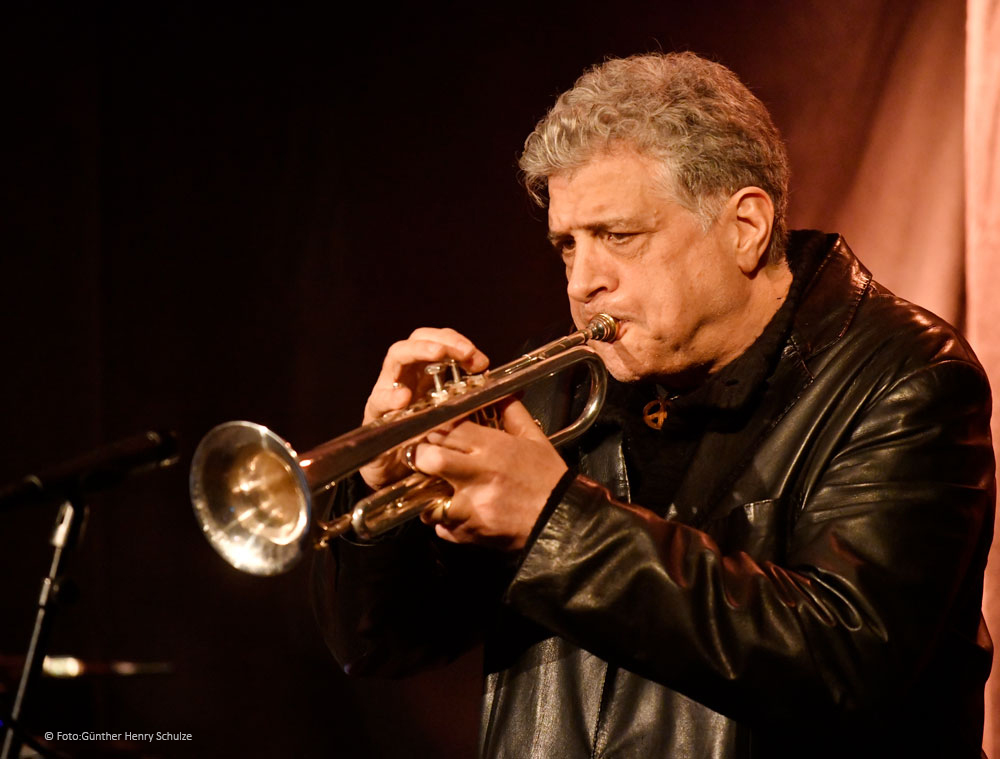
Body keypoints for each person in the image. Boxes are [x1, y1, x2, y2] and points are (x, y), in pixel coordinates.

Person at [314, 52, 995, 758]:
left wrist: (551, 522)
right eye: (567, 245)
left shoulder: (907, 377)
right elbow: (379, 645)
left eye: (619, 237)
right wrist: (379, 490)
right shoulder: (555, 390)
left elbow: (847, 664)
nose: (582, 282)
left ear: (746, 227)